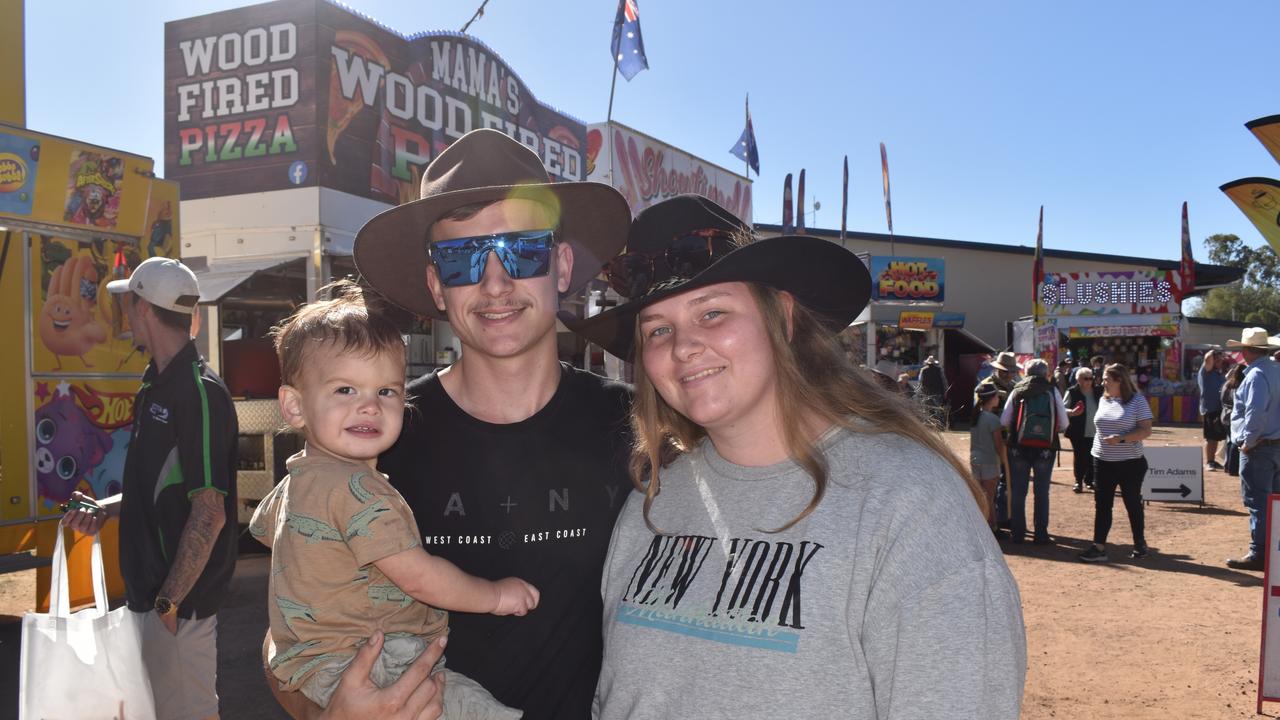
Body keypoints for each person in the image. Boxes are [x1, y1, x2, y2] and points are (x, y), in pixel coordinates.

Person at [565, 221, 1026, 718]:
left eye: (713, 313)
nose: (682, 347)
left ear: (782, 317)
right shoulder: (652, 501)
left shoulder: (908, 504)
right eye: (658, 329)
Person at [272, 128, 633, 720]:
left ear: (562, 266)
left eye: (522, 251)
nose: (495, 283)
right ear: (437, 286)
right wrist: (329, 713)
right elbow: (288, 630)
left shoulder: (636, 428)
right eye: (464, 260)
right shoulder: (370, 438)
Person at [249, 281, 537, 715]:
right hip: (375, 661)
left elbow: (271, 538)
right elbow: (418, 577)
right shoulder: (359, 490)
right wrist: (495, 596)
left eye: (386, 391)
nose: (369, 406)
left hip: (312, 667)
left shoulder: (296, 481)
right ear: (293, 407)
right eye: (345, 390)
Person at [64, 256, 238, 720]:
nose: (125, 314)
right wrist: (105, 508)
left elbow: (209, 512)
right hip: (152, 603)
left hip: (176, 609)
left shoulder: (200, 391)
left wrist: (170, 600)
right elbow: (160, 493)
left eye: (128, 303)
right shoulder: (153, 388)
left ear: (143, 309)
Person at [1078, 363, 1154, 563]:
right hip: (1102, 461)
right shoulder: (1104, 399)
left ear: (1119, 380)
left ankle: (1139, 544)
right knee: (1102, 505)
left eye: (1107, 379)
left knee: (1132, 503)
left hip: (1130, 463)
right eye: (1103, 378)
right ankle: (1099, 547)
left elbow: (1146, 430)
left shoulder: (1137, 401)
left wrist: (1121, 438)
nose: (1102, 382)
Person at [1225, 328, 1280, 570]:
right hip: (1275, 443)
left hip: (1260, 446)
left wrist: (1248, 442)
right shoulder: (1274, 370)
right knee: (1274, 501)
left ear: (1246, 351)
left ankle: (1259, 553)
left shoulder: (1257, 375)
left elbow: (1254, 412)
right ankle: (1273, 551)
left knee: (1258, 501)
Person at [1001, 359, 1069, 545]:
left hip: (1019, 447)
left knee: (1018, 491)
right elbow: (1064, 423)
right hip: (1045, 448)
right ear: (1046, 373)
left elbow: (1004, 420)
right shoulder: (1052, 390)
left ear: (1026, 372)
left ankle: (1018, 533)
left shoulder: (1017, 389)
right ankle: (1041, 534)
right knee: (1041, 491)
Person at [977, 351, 1021, 529]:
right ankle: (992, 520)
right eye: (1005, 371)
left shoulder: (1014, 386)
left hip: (1009, 441)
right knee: (990, 484)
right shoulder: (986, 386)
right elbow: (978, 413)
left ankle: (1004, 516)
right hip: (989, 442)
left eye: (1010, 371)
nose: (1008, 374)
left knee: (1007, 480)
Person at [971, 384, 1010, 530]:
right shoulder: (992, 419)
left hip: (975, 460)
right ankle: (992, 527)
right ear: (992, 398)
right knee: (989, 497)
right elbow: (998, 444)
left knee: (982, 496)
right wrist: (1004, 460)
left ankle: (985, 526)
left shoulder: (975, 416)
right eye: (996, 396)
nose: (998, 399)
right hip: (989, 461)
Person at [1064, 367, 1103, 493]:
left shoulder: (1099, 391)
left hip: (1096, 431)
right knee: (1080, 456)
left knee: (1093, 456)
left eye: (1090, 378)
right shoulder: (1072, 392)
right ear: (1078, 379)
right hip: (1077, 430)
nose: (1089, 381)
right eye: (1086, 378)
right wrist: (1072, 412)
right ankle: (1078, 481)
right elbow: (1063, 409)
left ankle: (1089, 480)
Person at [1198, 349, 1227, 471]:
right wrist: (1214, 351)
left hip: (1220, 409)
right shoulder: (1206, 370)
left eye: (1221, 359)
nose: (1220, 361)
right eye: (1218, 359)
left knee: (1217, 437)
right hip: (1210, 408)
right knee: (1211, 438)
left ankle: (1214, 461)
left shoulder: (1218, 373)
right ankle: (1209, 462)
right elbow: (1208, 358)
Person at [1222, 361, 1244, 476]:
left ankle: (1228, 466)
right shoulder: (1240, 385)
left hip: (1225, 415)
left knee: (1230, 442)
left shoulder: (1228, 384)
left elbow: (1222, 399)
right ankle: (1232, 467)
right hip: (1234, 416)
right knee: (1235, 442)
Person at [918, 354, 948, 427]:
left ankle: (928, 425)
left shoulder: (923, 370)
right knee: (938, 409)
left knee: (927, 409)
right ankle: (939, 425)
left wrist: (920, 392)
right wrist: (945, 391)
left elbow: (920, 382)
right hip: (937, 392)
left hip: (926, 393)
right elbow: (944, 382)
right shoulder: (939, 369)